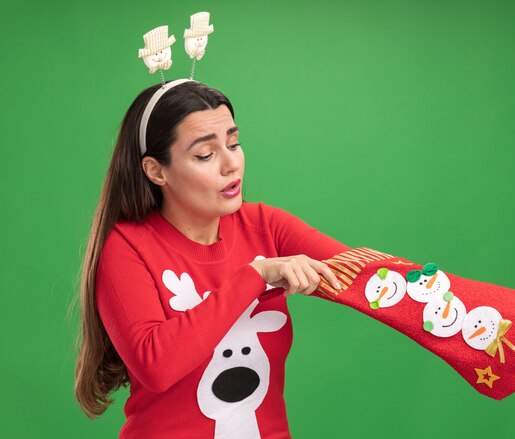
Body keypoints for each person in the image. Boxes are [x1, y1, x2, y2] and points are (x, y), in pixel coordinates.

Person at [74, 80, 349, 438]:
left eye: (234, 144)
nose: (231, 163)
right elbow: (156, 364)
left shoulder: (267, 227)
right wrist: (256, 275)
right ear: (156, 171)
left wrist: (442, 297)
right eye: (205, 155)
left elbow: (366, 274)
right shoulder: (126, 247)